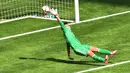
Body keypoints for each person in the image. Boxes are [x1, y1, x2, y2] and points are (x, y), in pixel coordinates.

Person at [43, 8, 117, 64]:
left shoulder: (68, 34)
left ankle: (110, 53)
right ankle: (104, 60)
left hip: (82, 45)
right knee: (92, 54)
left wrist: (69, 55)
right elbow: (60, 22)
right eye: (68, 25)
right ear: (65, 26)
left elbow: (68, 46)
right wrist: (56, 15)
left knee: (96, 49)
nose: (69, 25)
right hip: (78, 49)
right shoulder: (65, 30)